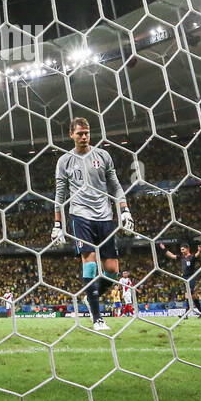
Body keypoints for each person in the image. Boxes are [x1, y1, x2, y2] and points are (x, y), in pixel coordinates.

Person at [49, 117, 133, 332]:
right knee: (90, 263)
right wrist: (57, 224)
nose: (84, 137)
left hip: (104, 216)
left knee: (112, 270)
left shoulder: (102, 156)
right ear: (71, 135)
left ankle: (90, 297)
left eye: (86, 133)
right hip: (80, 215)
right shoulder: (65, 161)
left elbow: (115, 185)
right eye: (79, 133)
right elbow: (60, 195)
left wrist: (124, 209)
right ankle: (97, 319)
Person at [164, 242, 201, 316]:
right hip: (184, 278)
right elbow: (171, 255)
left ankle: (186, 313)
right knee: (193, 296)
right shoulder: (181, 257)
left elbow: (197, 255)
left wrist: (199, 251)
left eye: (183, 249)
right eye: (181, 250)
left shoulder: (192, 257)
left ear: (187, 249)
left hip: (191, 277)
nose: (181, 251)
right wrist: (164, 249)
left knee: (188, 294)